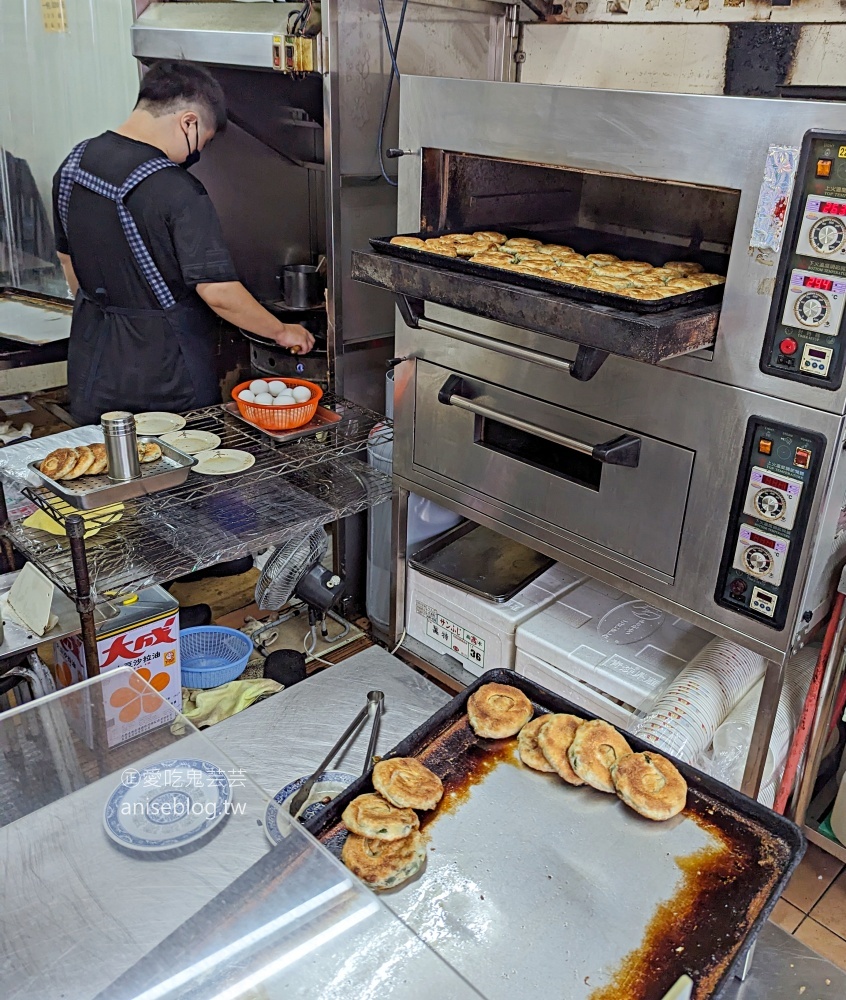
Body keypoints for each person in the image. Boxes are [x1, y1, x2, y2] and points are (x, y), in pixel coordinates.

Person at [52, 60, 314, 425]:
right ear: (188, 121)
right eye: (202, 142)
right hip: (164, 378)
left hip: (91, 365)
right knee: (179, 474)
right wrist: (283, 331)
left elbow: (69, 263)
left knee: (106, 470)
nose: (195, 156)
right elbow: (218, 292)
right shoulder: (177, 190)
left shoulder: (73, 165)